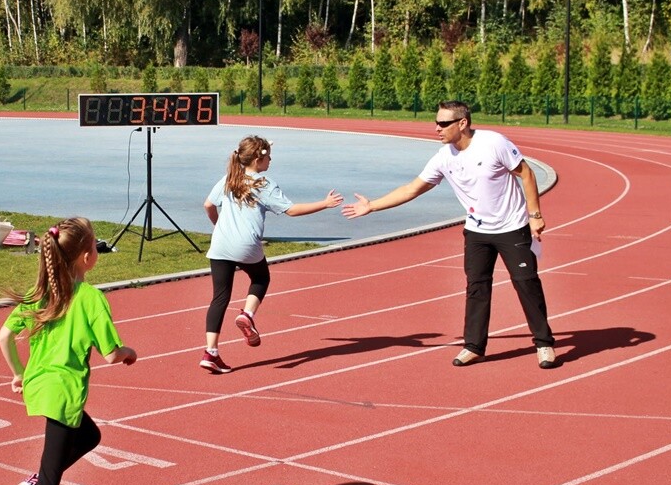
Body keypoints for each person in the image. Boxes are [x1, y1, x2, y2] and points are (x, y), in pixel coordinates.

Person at [341, 100, 557, 369]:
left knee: (526, 283)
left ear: (462, 124)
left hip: (512, 227)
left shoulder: (494, 143)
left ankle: (544, 344)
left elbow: (526, 173)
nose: (437, 129)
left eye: (443, 123)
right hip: (477, 231)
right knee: (476, 288)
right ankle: (474, 346)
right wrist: (372, 206)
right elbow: (412, 189)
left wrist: (535, 215)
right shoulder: (444, 157)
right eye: (436, 123)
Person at [0, 217, 137, 485]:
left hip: (39, 384)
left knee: (90, 435)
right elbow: (109, 354)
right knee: (52, 474)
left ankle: (33, 483)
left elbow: (5, 335)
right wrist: (128, 352)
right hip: (63, 390)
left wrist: (19, 374)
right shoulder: (91, 299)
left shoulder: (42, 291)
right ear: (89, 256)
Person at [200, 135, 344, 373]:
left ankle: (211, 352)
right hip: (246, 245)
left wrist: (218, 226)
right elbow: (292, 210)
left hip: (220, 244)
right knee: (260, 278)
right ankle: (247, 313)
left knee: (220, 297)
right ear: (258, 159)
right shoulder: (264, 184)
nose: (272, 160)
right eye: (269, 155)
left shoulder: (229, 179)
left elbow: (208, 205)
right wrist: (324, 203)